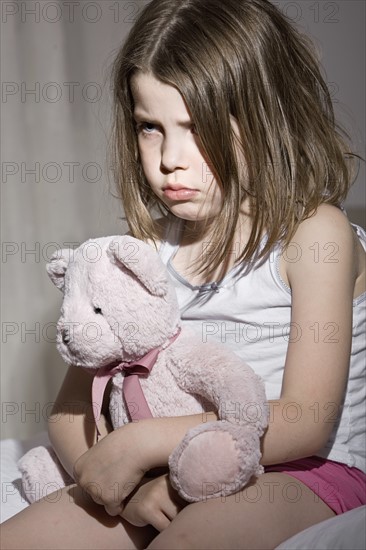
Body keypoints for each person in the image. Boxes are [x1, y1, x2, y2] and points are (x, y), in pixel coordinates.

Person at [2, 0, 365, 548]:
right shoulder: (145, 246)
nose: (170, 157)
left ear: (267, 117)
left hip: (301, 469)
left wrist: (144, 442)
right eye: (151, 127)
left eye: (196, 128)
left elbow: (306, 419)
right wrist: (123, 487)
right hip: (168, 464)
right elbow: (70, 409)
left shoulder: (316, 234)